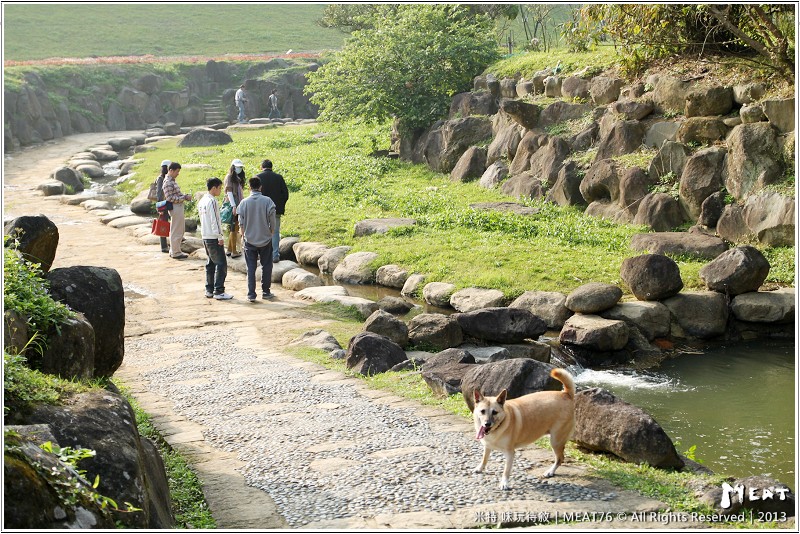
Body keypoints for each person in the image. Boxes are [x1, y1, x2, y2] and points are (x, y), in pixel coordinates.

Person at [237, 176, 277, 302]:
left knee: (251, 268)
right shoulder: (268, 201)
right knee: (267, 266)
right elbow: (272, 220)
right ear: (260, 187)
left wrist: (243, 235)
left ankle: (251, 294)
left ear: (249, 187)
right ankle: (266, 292)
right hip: (265, 239)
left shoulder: (244, 202)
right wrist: (271, 231)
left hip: (249, 240)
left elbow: (241, 222)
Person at [197, 177, 233, 300]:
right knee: (221, 263)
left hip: (205, 235)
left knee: (211, 263)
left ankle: (209, 289)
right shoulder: (212, 201)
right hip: (213, 236)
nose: (220, 190)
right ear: (214, 188)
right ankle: (219, 290)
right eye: (219, 188)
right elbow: (215, 221)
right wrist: (220, 236)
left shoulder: (202, 200)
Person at [255, 159, 289, 263]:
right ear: (271, 167)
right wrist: (280, 204)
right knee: (275, 232)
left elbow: (255, 193)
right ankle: (275, 255)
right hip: (276, 209)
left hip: (261, 210)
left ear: (262, 167)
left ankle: (263, 255)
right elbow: (286, 194)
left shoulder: (258, 177)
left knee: (262, 231)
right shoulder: (279, 177)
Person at [161, 162, 192, 259]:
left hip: (178, 206)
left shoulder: (171, 181)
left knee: (178, 229)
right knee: (176, 230)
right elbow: (169, 198)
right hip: (175, 207)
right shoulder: (168, 182)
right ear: (171, 170)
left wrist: (183, 197)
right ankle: (176, 252)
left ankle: (174, 250)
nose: (178, 173)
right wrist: (184, 197)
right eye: (177, 171)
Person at [223, 158, 246, 258]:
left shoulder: (238, 178)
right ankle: (234, 251)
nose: (239, 169)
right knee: (233, 227)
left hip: (238, 203)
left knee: (235, 226)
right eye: (237, 167)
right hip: (234, 204)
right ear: (233, 167)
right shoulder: (229, 177)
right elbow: (229, 192)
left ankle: (229, 249)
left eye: (240, 167)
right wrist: (234, 206)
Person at [155, 159, 171, 253]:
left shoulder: (167, 177)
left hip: (169, 204)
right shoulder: (161, 178)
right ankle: (164, 246)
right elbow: (159, 194)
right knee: (163, 224)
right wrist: (160, 207)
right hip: (163, 205)